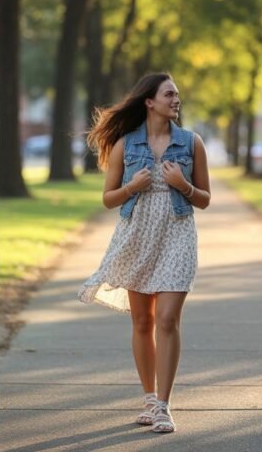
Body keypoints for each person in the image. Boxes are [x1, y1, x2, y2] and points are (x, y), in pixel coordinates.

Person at [78, 72, 211, 434]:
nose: (176, 100)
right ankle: (149, 399)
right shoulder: (125, 144)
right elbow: (108, 199)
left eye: (177, 95)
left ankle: (164, 406)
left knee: (167, 319)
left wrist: (183, 185)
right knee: (142, 322)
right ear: (149, 102)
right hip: (137, 236)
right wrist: (131, 187)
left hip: (177, 235)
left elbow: (204, 199)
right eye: (169, 94)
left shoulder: (191, 143)